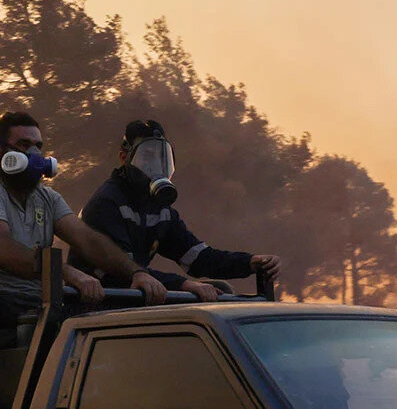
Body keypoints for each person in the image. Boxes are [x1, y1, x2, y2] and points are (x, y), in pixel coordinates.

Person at [0, 111, 167, 409]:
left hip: (35, 304)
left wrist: (137, 273)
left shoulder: (48, 199)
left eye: (38, 145)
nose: (34, 154)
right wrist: (63, 271)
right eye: (24, 144)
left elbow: (89, 241)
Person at [75, 119, 281, 301]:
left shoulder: (159, 210)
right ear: (123, 158)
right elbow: (123, 270)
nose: (155, 165)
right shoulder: (106, 203)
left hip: (131, 300)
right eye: (147, 157)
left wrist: (250, 262)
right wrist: (183, 284)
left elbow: (198, 258)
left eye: (161, 157)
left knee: (220, 290)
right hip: (95, 305)